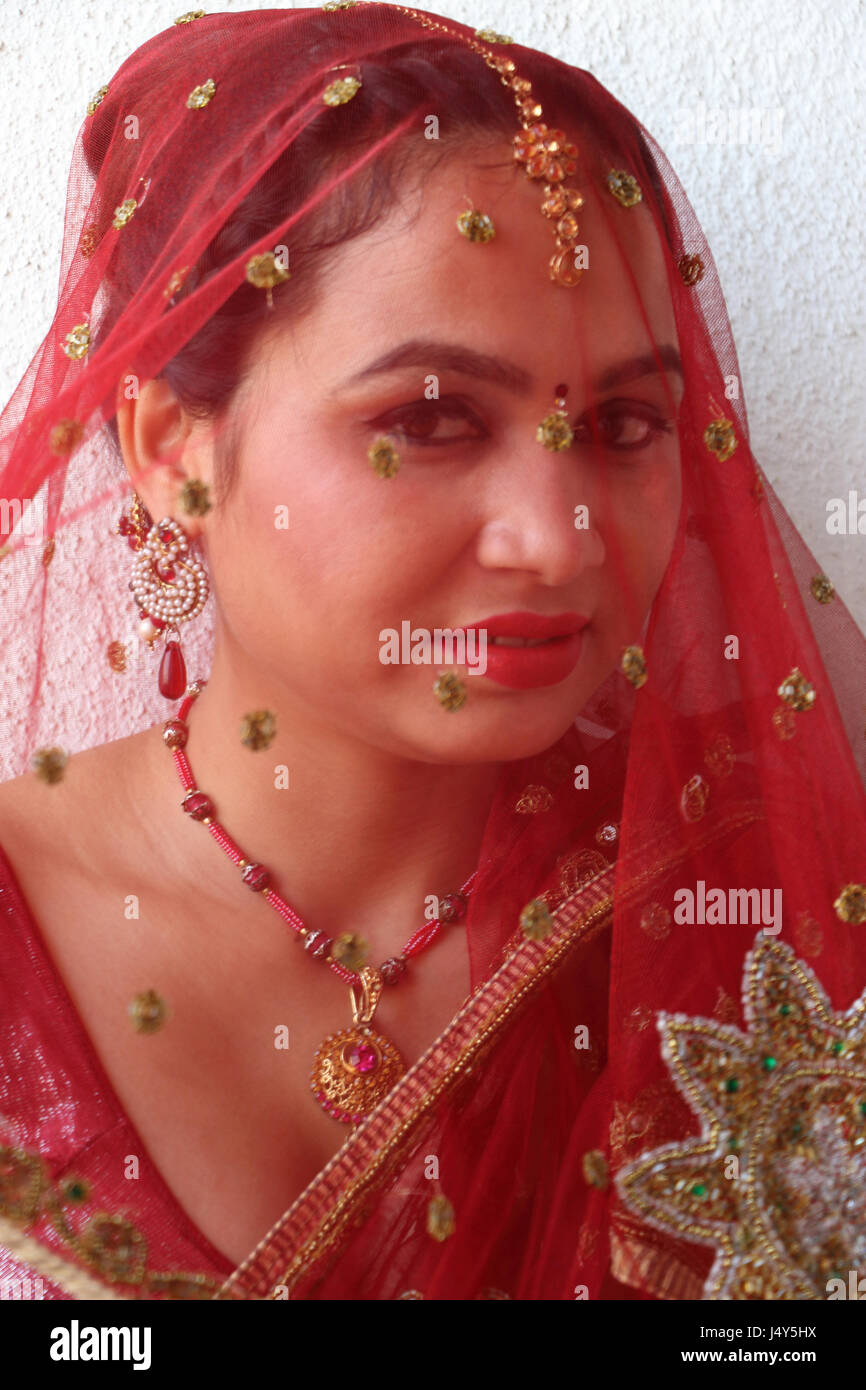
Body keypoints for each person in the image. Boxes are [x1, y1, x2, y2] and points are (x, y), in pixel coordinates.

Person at [0, 3, 864, 1302]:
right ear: (174, 447)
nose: (557, 540)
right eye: (432, 416)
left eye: (625, 423)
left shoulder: (744, 910)